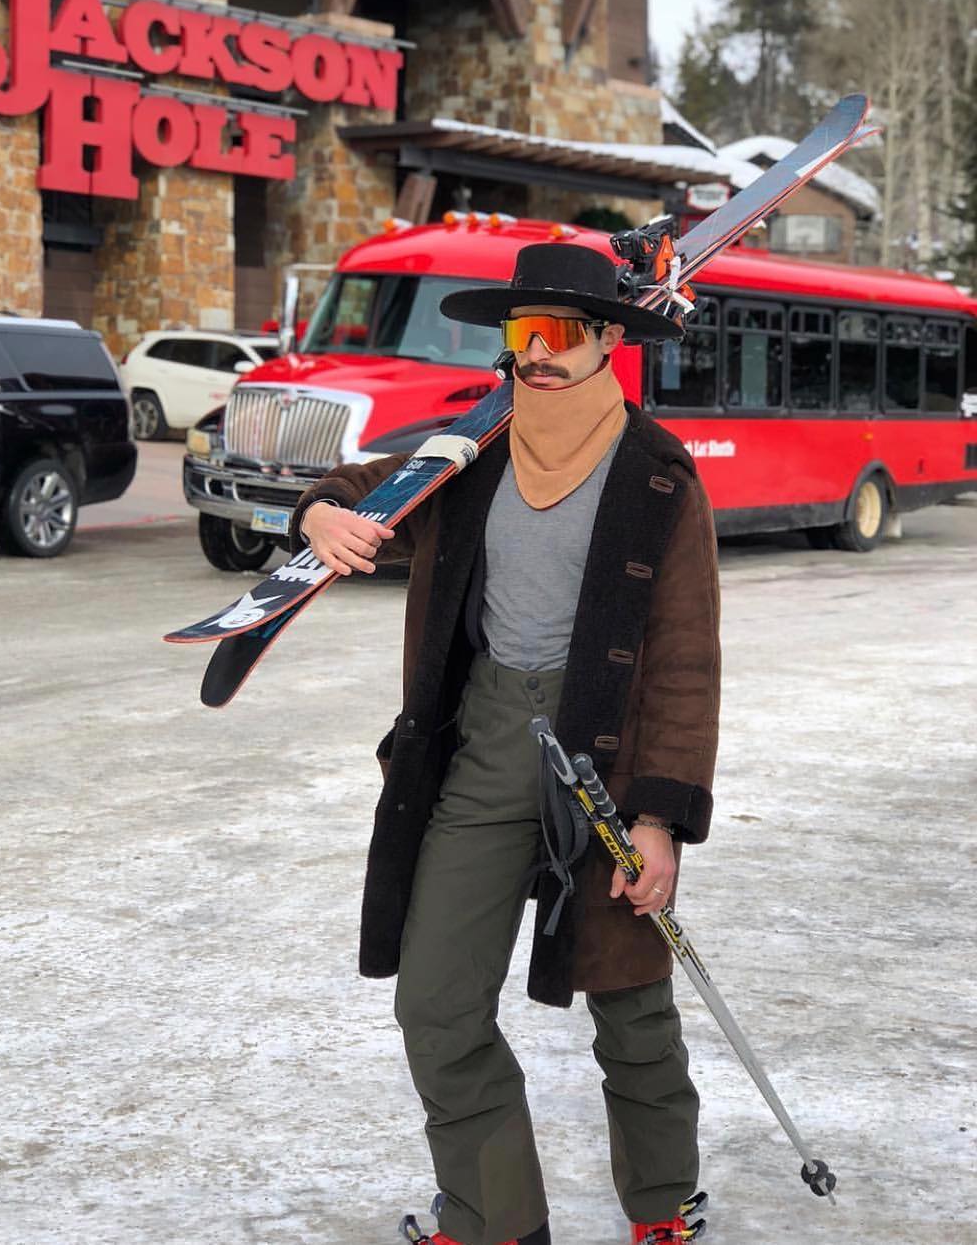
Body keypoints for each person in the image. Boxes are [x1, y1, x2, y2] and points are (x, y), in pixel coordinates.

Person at [291, 242, 721, 1245]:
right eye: (523, 331)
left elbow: (686, 659)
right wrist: (319, 514)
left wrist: (660, 817)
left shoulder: (658, 473)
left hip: (609, 760)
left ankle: (663, 1206)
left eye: (561, 332)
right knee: (436, 1005)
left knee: (631, 1009)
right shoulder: (471, 447)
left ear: (606, 339)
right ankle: (496, 1220)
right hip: (484, 743)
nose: (538, 352)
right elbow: (359, 487)